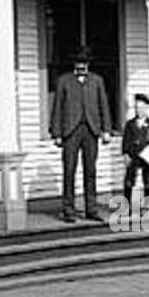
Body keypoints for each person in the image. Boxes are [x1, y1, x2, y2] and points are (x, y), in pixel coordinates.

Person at [50, 47, 112, 222]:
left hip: (91, 130)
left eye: (84, 62)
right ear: (74, 64)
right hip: (71, 131)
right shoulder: (64, 81)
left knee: (90, 170)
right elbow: (57, 108)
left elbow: (103, 105)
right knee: (69, 170)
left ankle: (91, 208)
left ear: (88, 64)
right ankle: (68, 209)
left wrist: (106, 130)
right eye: (78, 62)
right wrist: (57, 133)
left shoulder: (97, 81)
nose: (81, 65)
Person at [122, 93, 149, 202]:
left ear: (146, 108)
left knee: (148, 181)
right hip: (133, 156)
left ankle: (147, 205)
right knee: (129, 181)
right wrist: (126, 154)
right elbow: (125, 141)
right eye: (136, 108)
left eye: (141, 108)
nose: (138, 111)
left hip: (147, 156)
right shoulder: (130, 124)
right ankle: (127, 205)